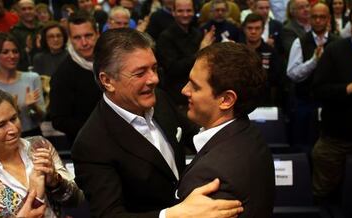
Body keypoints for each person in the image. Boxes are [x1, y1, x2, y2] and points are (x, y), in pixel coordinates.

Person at [72, 28, 242, 218]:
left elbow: (195, 137)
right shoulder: (91, 144)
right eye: (140, 73)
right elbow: (109, 215)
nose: (154, 79)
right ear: (108, 81)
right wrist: (171, 215)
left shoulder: (159, 99)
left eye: (153, 68)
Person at [178, 41, 275, 218]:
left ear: (226, 100)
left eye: (195, 86)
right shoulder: (248, 133)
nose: (185, 90)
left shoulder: (210, 176)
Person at [0, 86, 84, 217]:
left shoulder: (38, 146)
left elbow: (76, 200)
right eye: (0, 125)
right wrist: (33, 197)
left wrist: (56, 183)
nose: (13, 129)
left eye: (14, 118)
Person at [312, 0, 352, 200]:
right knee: (323, 195)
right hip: (334, 141)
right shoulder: (334, 51)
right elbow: (317, 91)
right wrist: (351, 87)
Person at [286, 2, 339, 147]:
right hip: (305, 101)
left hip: (331, 103)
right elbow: (292, 74)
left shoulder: (338, 43)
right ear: (309, 18)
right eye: (314, 17)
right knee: (302, 144)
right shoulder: (300, 42)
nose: (318, 20)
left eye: (322, 17)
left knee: (330, 145)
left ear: (328, 19)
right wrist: (314, 61)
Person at [0, 33, 45, 137]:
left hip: (31, 136)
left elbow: (41, 118)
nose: (12, 56)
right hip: (2, 139)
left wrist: (32, 106)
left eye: (15, 51)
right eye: (5, 52)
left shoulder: (32, 78)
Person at [49, 11, 102, 145]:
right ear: (70, 40)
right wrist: (98, 130)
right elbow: (59, 120)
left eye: (88, 35)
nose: (84, 43)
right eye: (77, 38)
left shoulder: (110, 62)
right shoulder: (62, 75)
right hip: (86, 146)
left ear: (97, 34)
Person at [157, 0, 215, 108]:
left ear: (194, 12)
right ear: (173, 12)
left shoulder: (197, 33)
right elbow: (173, 69)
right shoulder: (165, 37)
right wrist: (200, 52)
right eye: (180, 11)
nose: (185, 14)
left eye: (189, 10)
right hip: (178, 97)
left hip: (200, 92)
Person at [243, 13, 284, 106]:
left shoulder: (271, 52)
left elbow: (276, 79)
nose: (253, 31)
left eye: (257, 28)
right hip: (241, 101)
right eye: (250, 28)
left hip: (265, 101)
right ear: (244, 29)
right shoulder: (237, 51)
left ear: (263, 30)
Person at [10, 0, 41, 71]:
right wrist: (26, 50)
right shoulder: (14, 32)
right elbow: (12, 56)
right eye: (23, 9)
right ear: (19, 12)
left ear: (35, 11)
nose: (27, 12)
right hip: (24, 70)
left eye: (30, 8)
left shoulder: (43, 28)